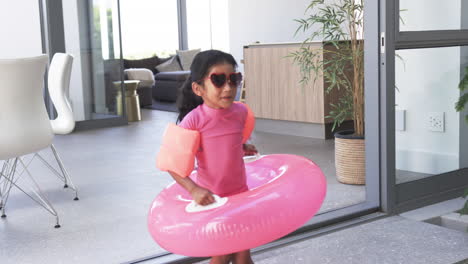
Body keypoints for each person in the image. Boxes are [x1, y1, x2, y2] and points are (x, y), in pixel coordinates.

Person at [169, 49, 257, 264]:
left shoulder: (240, 112)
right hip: (214, 200)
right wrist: (194, 190)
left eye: (233, 79)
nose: (228, 87)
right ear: (198, 88)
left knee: (243, 254)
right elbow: (171, 163)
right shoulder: (193, 121)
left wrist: (241, 147)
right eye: (218, 80)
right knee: (222, 255)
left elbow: (230, 139)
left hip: (240, 195)